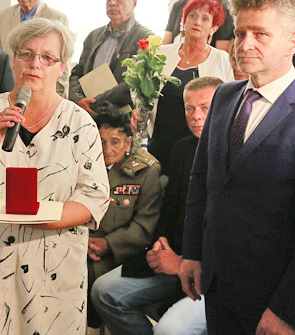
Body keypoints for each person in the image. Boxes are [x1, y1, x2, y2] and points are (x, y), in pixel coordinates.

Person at [179, 0, 295, 334]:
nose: (245, 45)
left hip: (272, 295)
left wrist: (288, 310)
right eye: (240, 33)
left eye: (260, 34)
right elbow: (202, 184)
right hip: (216, 282)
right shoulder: (224, 97)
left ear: (293, 42)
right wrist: (193, 252)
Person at [0, 17, 110, 333]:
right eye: (26, 53)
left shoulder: (80, 123)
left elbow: (93, 199)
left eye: (47, 57)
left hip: (52, 277)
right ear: (13, 59)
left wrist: (38, 217)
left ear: (62, 67)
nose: (35, 64)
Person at [92, 77, 223, 335]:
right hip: (171, 257)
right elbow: (170, 208)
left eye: (205, 108)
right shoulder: (182, 149)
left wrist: (182, 263)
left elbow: (228, 235)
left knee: (169, 330)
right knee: (103, 291)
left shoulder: (237, 154)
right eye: (189, 108)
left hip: (213, 275)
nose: (196, 116)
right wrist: (161, 243)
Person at [86, 102, 163, 329]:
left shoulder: (146, 171)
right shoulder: (83, 164)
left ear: (128, 142)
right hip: (81, 246)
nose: (107, 148)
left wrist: (108, 244)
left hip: (119, 254)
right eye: (101, 141)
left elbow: (144, 226)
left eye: (115, 141)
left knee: (89, 279)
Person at [146, 0, 233, 165]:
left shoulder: (222, 59)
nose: (197, 22)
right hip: (160, 139)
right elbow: (146, 94)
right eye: (193, 15)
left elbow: (228, 106)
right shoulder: (161, 54)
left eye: (205, 18)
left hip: (199, 146)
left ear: (213, 28)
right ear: (183, 21)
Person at [70, 0, 154, 114]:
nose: (112, 3)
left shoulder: (145, 38)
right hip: (87, 113)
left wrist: (96, 103)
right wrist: (77, 99)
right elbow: (77, 72)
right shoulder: (93, 36)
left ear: (134, 3)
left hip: (121, 117)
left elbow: (137, 83)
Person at [0, 0, 71, 96]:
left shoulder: (57, 18)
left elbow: (63, 64)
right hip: (10, 91)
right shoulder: (3, 16)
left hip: (43, 93)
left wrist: (59, 97)